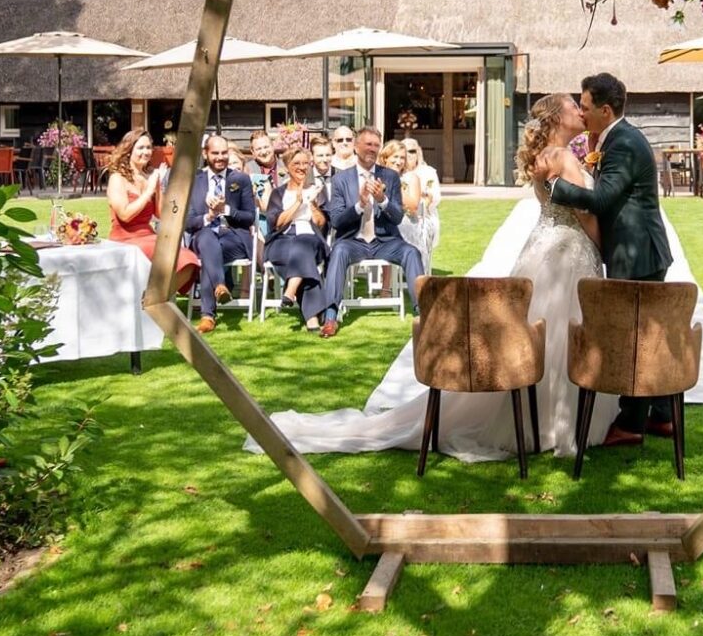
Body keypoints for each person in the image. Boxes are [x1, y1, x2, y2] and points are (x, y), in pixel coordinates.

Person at [263, 94, 616, 461]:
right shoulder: (563, 158)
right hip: (567, 254)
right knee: (559, 333)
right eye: (573, 105)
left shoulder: (544, 157)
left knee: (537, 336)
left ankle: (537, 419)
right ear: (558, 117)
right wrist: (604, 247)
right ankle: (557, 423)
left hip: (543, 251)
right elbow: (586, 215)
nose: (580, 108)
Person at [545, 72, 675, 443]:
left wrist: (554, 186)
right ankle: (662, 415)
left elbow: (601, 199)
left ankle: (631, 423)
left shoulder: (623, 143)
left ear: (605, 109)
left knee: (634, 337)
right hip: (635, 251)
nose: (582, 114)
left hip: (639, 254)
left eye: (585, 108)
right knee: (643, 332)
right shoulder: (613, 137)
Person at [314, 126, 425, 338]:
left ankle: (423, 312)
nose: (372, 149)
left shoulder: (390, 176)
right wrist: (359, 204)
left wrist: (383, 200)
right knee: (337, 252)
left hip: (384, 241)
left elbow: (398, 217)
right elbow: (336, 221)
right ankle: (330, 317)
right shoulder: (341, 179)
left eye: (376, 145)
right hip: (353, 241)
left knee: (412, 252)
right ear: (357, 147)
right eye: (368, 144)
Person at [107, 127, 200, 295]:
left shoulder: (150, 177)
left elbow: (161, 214)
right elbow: (125, 214)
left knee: (189, 260)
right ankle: (151, 302)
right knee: (169, 254)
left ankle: (154, 300)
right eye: (141, 148)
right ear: (129, 150)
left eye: (149, 147)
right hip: (125, 238)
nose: (146, 152)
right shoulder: (117, 178)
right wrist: (148, 191)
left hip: (148, 235)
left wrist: (160, 186)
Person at [183, 135, 257, 334]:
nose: (220, 157)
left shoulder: (240, 179)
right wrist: (208, 216)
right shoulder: (194, 181)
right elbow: (188, 223)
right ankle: (220, 286)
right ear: (205, 154)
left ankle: (208, 315)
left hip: (234, 238)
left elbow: (249, 217)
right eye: (215, 153)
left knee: (210, 251)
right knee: (207, 237)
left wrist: (226, 210)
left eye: (224, 153)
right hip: (203, 236)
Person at [263, 145, 330, 329]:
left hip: (311, 239)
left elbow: (321, 223)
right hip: (281, 241)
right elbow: (277, 223)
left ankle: (291, 289)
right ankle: (312, 318)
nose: (302, 167)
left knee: (303, 243)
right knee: (301, 258)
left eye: (305, 163)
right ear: (286, 167)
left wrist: (313, 204)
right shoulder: (278, 193)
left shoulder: (317, 190)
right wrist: (298, 202)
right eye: (297, 163)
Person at [380, 139, 435, 279]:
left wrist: (394, 184)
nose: (399, 161)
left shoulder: (411, 178)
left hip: (407, 223)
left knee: (394, 233)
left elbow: (413, 206)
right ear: (386, 158)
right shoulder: (377, 176)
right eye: (395, 157)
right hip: (382, 222)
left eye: (402, 158)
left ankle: (390, 287)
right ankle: (386, 288)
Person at [402, 137, 441, 279]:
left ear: (418, 152)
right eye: (404, 151)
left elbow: (434, 197)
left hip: (425, 216)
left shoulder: (428, 172)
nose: (408, 154)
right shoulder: (397, 172)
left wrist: (421, 201)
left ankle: (420, 276)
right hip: (400, 217)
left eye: (412, 151)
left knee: (421, 230)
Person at [244, 131, 279, 232]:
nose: (263, 152)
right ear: (252, 152)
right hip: (258, 225)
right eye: (259, 149)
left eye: (266, 147)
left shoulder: (287, 167)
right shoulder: (247, 170)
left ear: (272, 146)